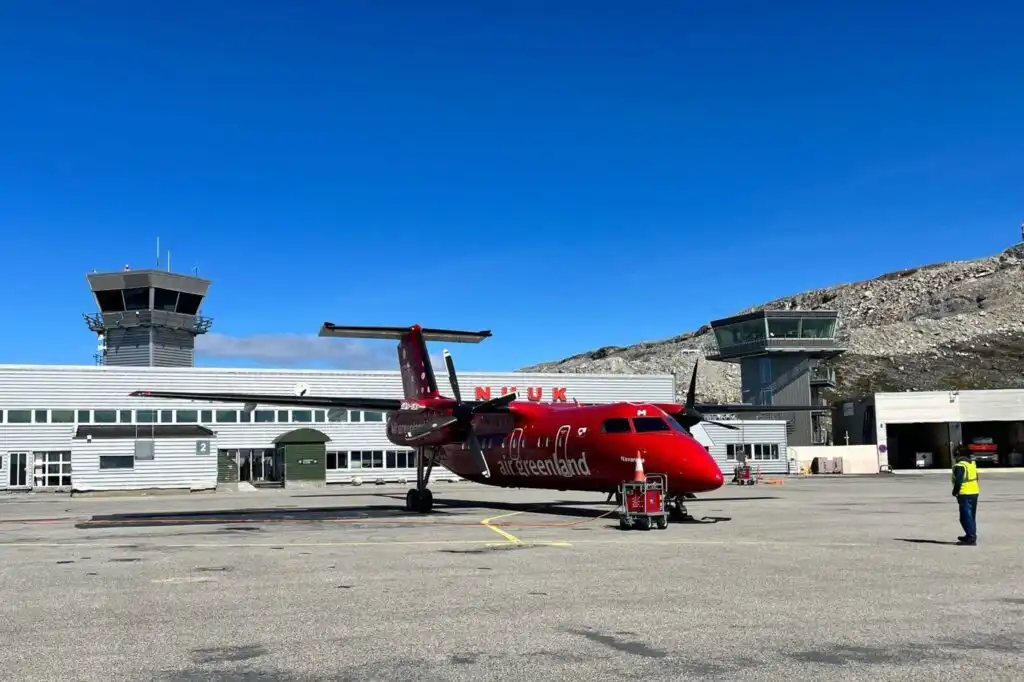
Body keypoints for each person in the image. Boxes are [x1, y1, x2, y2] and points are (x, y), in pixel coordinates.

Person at [951, 445, 979, 545]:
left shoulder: (960, 466)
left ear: (958, 454)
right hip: (974, 492)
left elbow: (959, 481)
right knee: (971, 516)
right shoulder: (971, 464)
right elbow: (977, 478)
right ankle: (970, 535)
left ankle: (971, 538)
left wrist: (955, 492)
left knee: (965, 517)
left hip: (965, 493)